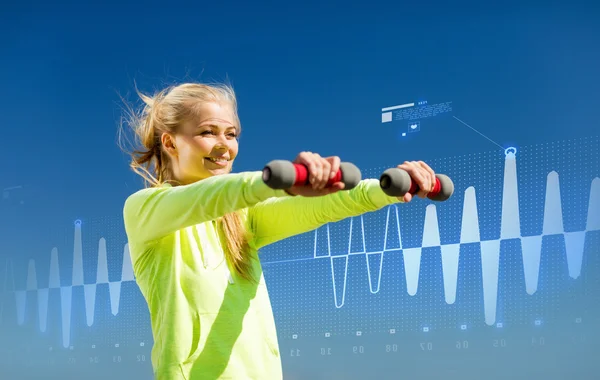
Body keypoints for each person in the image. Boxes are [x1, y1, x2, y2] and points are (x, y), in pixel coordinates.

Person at [121, 82, 438, 380]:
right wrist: (280, 181)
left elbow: (322, 206)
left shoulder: (243, 218)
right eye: (208, 132)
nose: (224, 146)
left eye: (231, 134)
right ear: (170, 142)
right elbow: (218, 194)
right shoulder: (145, 211)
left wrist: (388, 187)